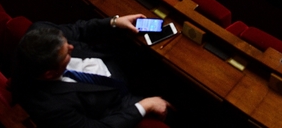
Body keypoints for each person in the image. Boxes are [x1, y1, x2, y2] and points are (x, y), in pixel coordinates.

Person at [12, 16, 172, 128]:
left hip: (109, 57)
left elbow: (77, 29)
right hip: (120, 102)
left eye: (67, 43)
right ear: (49, 74)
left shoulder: (41, 31)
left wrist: (114, 22)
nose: (71, 47)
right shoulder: (51, 108)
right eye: (66, 53)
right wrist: (144, 106)